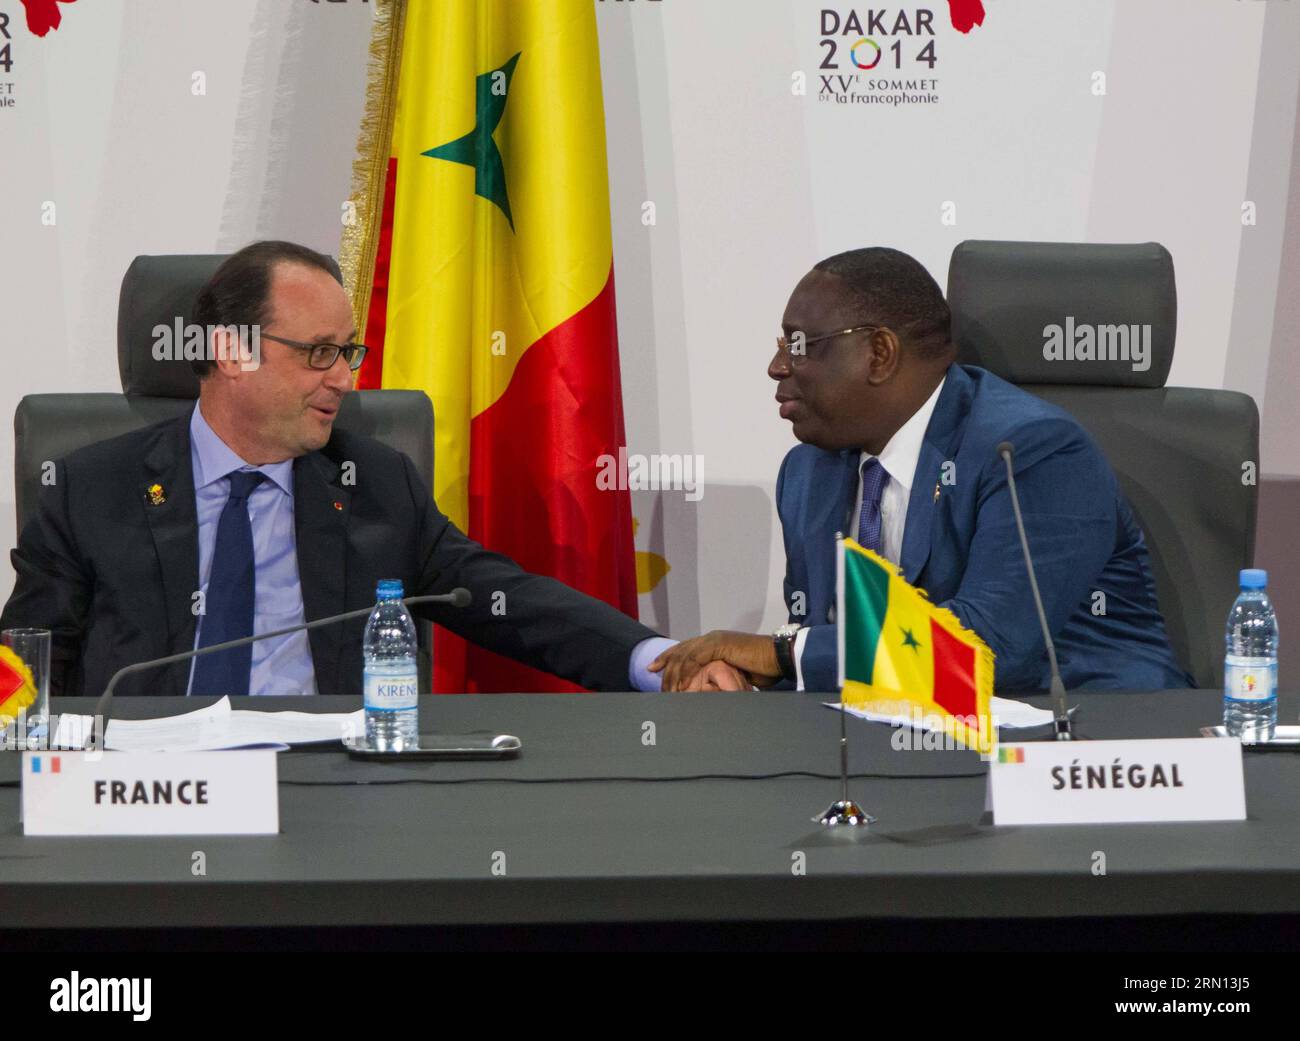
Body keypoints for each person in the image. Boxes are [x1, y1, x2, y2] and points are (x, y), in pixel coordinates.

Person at [0, 240, 735, 697]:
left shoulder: (373, 482)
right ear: (230, 352)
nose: (344, 378)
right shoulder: (91, 489)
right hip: (149, 795)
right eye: (317, 352)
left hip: (331, 790)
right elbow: (25, 663)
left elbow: (501, 596)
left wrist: (660, 658)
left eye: (347, 352)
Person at [651, 247, 1190, 693]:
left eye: (798, 346)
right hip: (903, 748)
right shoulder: (808, 471)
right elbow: (829, 644)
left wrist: (780, 652)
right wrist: (746, 676)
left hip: (1093, 753)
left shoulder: (1035, 451)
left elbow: (988, 651)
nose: (777, 366)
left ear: (879, 354)